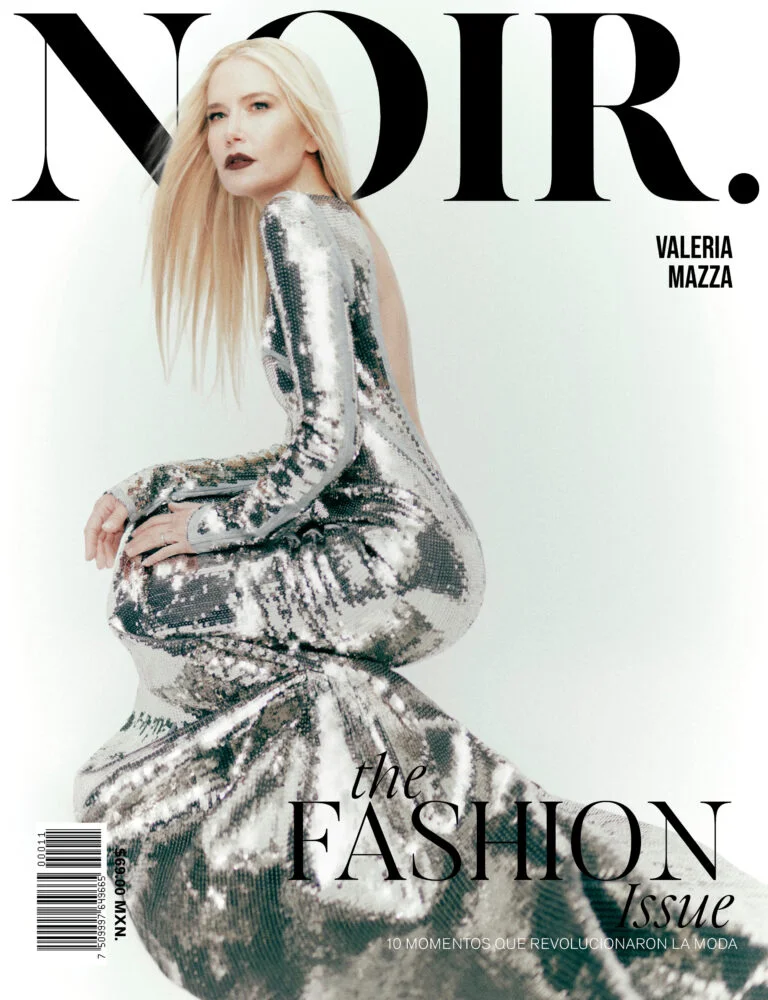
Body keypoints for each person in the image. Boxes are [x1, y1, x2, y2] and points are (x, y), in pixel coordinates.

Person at [75, 37, 768, 1000]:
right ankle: (313, 818)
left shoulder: (296, 223)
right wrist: (158, 484)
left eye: (259, 107)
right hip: (419, 546)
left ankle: (216, 848)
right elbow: (336, 444)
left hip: (389, 551)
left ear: (309, 125)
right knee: (260, 650)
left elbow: (324, 448)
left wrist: (195, 527)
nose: (231, 132)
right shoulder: (339, 224)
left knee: (149, 597)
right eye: (216, 115)